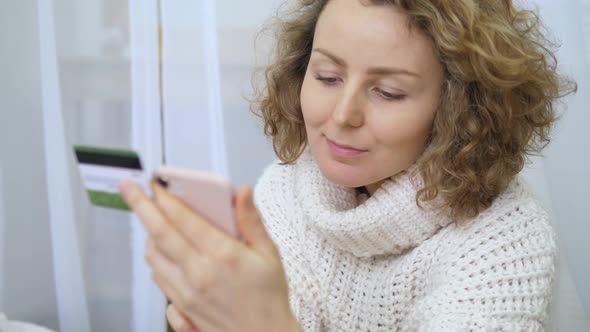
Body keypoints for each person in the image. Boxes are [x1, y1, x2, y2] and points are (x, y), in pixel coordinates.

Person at [119, 0, 575, 330]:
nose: (342, 116)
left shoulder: (507, 240)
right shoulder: (285, 190)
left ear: (459, 108)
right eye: (328, 77)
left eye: (388, 92)